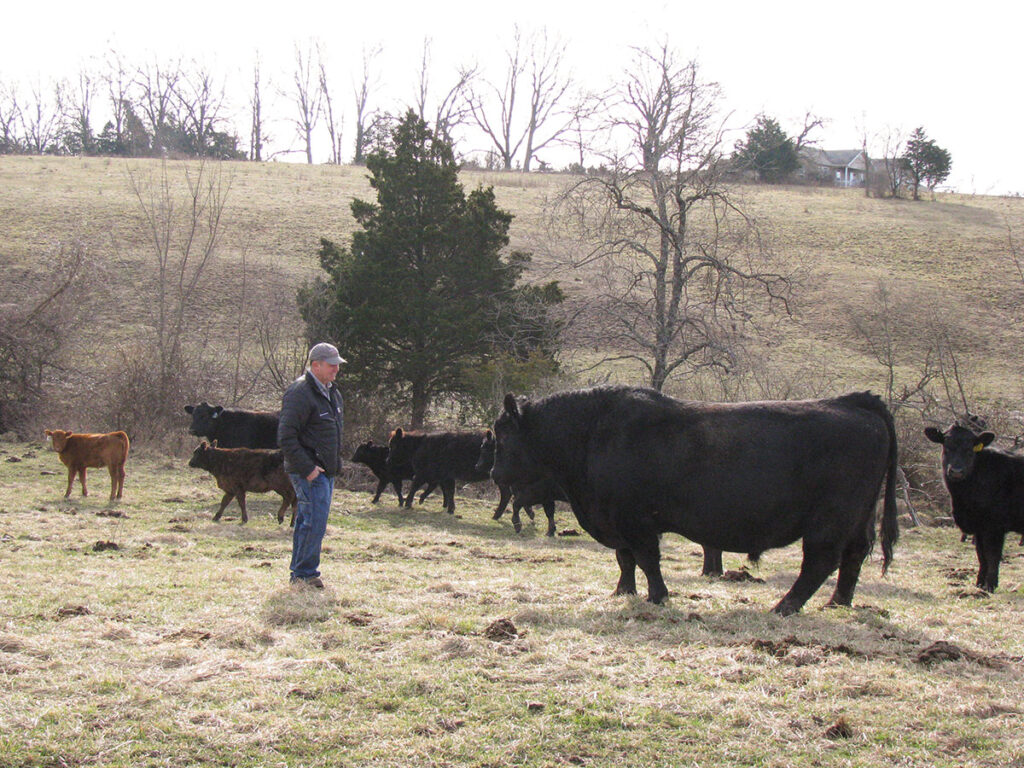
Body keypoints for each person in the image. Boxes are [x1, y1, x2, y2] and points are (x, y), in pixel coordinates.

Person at [278, 342, 346, 588]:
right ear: (315, 365)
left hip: (326, 471)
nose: (336, 370)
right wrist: (307, 468)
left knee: (312, 521)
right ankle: (305, 575)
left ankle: (302, 573)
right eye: (331, 365)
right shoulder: (300, 392)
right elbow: (286, 436)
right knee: (312, 521)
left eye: (337, 365)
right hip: (310, 472)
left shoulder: (332, 393)